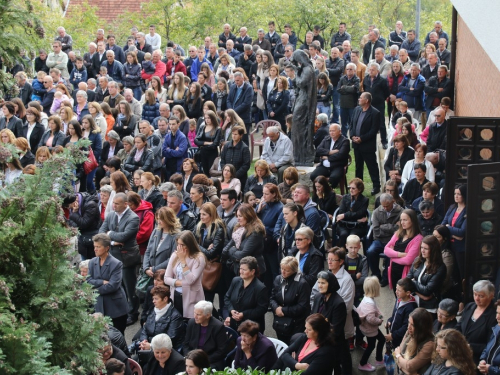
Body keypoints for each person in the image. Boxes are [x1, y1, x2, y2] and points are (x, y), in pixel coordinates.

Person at [98, 192, 141, 325]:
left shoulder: (133, 218)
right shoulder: (111, 215)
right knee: (118, 286)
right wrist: (111, 242)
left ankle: (133, 312)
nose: (113, 205)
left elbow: (124, 236)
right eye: (113, 203)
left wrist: (110, 234)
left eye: (117, 203)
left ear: (126, 204)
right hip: (113, 256)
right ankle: (121, 310)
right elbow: (100, 233)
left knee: (129, 286)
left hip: (127, 258)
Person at [87, 233, 129, 334]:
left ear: (107, 248)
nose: (95, 249)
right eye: (94, 246)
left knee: (117, 337)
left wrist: (94, 289)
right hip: (99, 307)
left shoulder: (116, 263)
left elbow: (112, 286)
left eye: (98, 247)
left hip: (116, 308)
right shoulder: (92, 262)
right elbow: (88, 281)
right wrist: (101, 282)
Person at [310, 271, 348, 375]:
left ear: (330, 284)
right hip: (317, 341)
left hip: (331, 346)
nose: (320, 286)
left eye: (323, 283)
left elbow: (335, 331)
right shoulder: (318, 297)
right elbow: (312, 317)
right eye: (319, 282)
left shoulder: (338, 303)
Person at [269, 256, 311, 344]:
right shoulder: (278, 279)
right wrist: (276, 308)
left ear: (294, 270)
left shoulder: (302, 284)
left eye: (287, 270)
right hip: (279, 322)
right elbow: (272, 297)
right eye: (282, 269)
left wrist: (283, 310)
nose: (283, 272)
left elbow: (303, 306)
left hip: (295, 324)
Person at [223, 256, 268, 332]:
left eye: (244, 270)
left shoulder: (260, 288)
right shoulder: (235, 280)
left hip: (251, 328)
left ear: (252, 271)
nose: (241, 271)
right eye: (240, 268)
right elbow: (227, 298)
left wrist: (244, 314)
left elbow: (262, 309)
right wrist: (231, 310)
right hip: (234, 324)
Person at [367, 193, 403, 286]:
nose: (385, 208)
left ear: (393, 202)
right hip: (379, 240)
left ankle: (386, 277)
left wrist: (383, 226)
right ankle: (376, 274)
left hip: (393, 241)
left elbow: (400, 230)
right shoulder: (376, 212)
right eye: (383, 206)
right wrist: (392, 227)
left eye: (387, 206)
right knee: (370, 251)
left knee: (389, 255)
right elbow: (376, 231)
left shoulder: (401, 212)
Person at [457, 280, 497, 364]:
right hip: (459, 353)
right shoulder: (469, 306)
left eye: (481, 296)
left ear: (491, 296)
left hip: (476, 359)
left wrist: (470, 346)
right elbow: (459, 326)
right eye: (475, 294)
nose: (476, 298)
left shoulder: (494, 316)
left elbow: (490, 344)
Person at [406, 236, 446, 318]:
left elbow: (427, 291)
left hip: (429, 308)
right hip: (414, 302)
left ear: (433, 250)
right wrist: (420, 294)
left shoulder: (440, 267)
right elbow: (407, 281)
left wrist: (413, 282)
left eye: (426, 249)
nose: (422, 251)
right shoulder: (418, 260)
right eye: (421, 247)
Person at [384, 209, 423, 292]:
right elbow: (386, 250)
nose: (402, 222)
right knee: (396, 295)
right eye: (401, 220)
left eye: (405, 220)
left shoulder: (418, 239)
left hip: (405, 274)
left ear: (412, 221)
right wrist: (400, 254)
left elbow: (408, 260)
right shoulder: (398, 233)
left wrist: (392, 256)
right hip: (393, 270)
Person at [350, 92, 381, 195]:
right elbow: (352, 125)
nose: (359, 99)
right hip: (356, 144)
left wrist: (361, 139)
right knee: (358, 166)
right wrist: (352, 136)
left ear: (366, 100)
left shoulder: (375, 113)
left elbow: (373, 130)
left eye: (361, 98)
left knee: (372, 166)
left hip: (367, 146)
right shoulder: (356, 110)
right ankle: (358, 187)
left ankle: (376, 186)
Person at [182, 300, 227, 370]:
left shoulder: (218, 326)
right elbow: (186, 344)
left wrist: (203, 361)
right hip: (192, 359)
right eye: (194, 313)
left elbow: (221, 351)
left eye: (198, 314)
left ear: (208, 315)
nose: (195, 316)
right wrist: (190, 358)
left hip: (211, 361)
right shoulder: (192, 322)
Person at [138, 284, 185, 351]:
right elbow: (145, 329)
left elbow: (171, 339)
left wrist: (151, 346)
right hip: (148, 347)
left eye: (156, 299)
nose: (153, 301)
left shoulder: (175, 316)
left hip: (164, 351)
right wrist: (144, 341)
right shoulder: (153, 310)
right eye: (153, 298)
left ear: (165, 299)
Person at [356, 276, 385, 371]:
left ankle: (379, 359)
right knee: (371, 345)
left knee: (382, 339)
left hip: (367, 328)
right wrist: (379, 321)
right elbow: (371, 319)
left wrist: (379, 315)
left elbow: (375, 310)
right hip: (370, 330)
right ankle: (362, 363)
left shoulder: (367, 298)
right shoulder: (370, 304)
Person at [394, 308, 435, 375]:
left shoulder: (429, 344)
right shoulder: (409, 332)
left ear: (421, 327)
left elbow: (409, 366)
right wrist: (407, 371)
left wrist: (398, 356)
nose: (408, 327)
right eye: (408, 322)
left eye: (412, 325)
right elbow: (398, 353)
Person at [310, 123, 350, 189]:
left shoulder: (345, 141)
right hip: (324, 166)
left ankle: (329, 192)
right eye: (330, 131)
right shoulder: (326, 139)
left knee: (334, 178)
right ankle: (322, 190)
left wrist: (327, 157)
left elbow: (341, 155)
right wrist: (330, 152)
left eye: (333, 131)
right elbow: (318, 150)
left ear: (339, 131)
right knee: (313, 176)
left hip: (337, 165)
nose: (331, 133)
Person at [441, 185, 467, 280]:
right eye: (455, 193)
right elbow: (443, 225)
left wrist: (448, 228)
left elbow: (461, 232)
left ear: (464, 195)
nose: (456, 196)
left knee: (460, 272)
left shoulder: (467, 211)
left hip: (460, 248)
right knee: (451, 272)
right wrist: (452, 232)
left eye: (459, 194)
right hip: (449, 245)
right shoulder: (452, 207)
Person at [335, 177, 369, 248]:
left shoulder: (364, 200)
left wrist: (345, 215)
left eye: (353, 188)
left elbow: (360, 213)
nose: (351, 190)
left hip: (357, 226)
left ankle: (352, 256)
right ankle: (342, 254)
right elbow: (341, 211)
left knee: (352, 237)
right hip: (344, 224)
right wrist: (355, 218)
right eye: (350, 188)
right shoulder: (345, 198)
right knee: (343, 234)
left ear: (359, 190)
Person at [386, 278, 418, 348]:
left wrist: (392, 335)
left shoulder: (410, 307)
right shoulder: (399, 298)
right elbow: (395, 314)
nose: (396, 292)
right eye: (396, 289)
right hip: (394, 334)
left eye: (399, 290)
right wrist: (390, 320)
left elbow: (406, 327)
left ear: (408, 293)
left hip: (401, 339)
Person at [478, 300, 500, 375]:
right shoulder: (497, 328)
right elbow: (487, 348)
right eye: (497, 313)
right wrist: (483, 360)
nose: (497, 317)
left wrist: (490, 369)